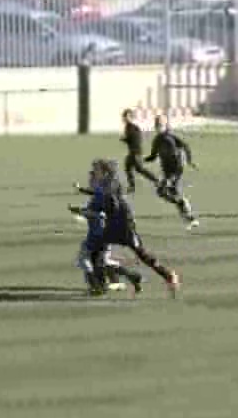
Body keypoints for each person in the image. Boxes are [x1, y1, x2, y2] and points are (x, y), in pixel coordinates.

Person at [98, 158, 181, 297]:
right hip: (117, 222)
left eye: (98, 169)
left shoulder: (109, 183)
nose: (95, 172)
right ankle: (110, 281)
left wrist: (99, 211)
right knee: (99, 251)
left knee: (140, 253)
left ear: (104, 171)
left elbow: (113, 203)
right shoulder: (108, 182)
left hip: (122, 224)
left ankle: (167, 276)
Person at [72, 161, 143, 295]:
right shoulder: (101, 191)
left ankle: (97, 287)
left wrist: (83, 212)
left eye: (92, 177)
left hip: (99, 234)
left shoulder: (102, 193)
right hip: (103, 233)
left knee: (85, 259)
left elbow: (102, 214)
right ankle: (132, 276)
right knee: (103, 261)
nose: (90, 180)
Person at [144, 115, 199, 230]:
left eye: (160, 125)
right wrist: (143, 160)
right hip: (167, 171)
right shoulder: (157, 140)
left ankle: (183, 204)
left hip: (176, 169)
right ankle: (190, 217)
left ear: (165, 125)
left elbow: (185, 146)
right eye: (157, 125)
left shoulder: (171, 138)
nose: (158, 127)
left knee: (162, 190)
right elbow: (153, 156)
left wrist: (189, 161)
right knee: (170, 192)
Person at [120, 109, 158, 194]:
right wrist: (126, 140)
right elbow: (132, 139)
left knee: (140, 169)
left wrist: (125, 139)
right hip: (133, 152)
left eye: (126, 117)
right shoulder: (128, 127)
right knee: (128, 168)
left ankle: (157, 181)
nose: (124, 118)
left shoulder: (133, 127)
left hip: (136, 152)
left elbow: (136, 140)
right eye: (124, 116)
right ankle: (132, 187)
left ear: (130, 117)